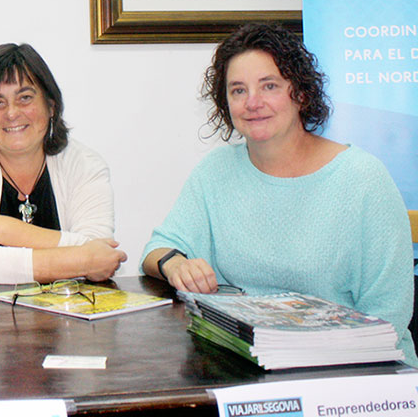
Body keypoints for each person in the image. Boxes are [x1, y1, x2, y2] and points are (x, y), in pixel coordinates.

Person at [141, 23, 416, 366]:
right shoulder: (216, 171)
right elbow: (157, 250)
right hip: (252, 364)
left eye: (268, 86)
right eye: (238, 90)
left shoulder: (363, 179)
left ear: (300, 93)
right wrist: (176, 263)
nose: (252, 103)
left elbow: (388, 314)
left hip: (356, 370)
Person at [0, 43, 127, 286]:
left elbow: (100, 256)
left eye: (25, 98)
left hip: (66, 316)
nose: (12, 113)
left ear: (51, 106)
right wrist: (81, 260)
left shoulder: (86, 165)